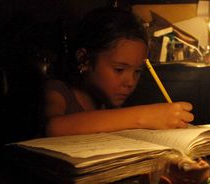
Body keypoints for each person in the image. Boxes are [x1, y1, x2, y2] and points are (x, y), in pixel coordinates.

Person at [43, 7, 194, 137]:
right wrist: (144, 116)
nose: (130, 82)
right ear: (85, 59)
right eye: (119, 69)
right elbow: (54, 127)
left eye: (137, 71)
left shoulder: (107, 104)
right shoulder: (57, 91)